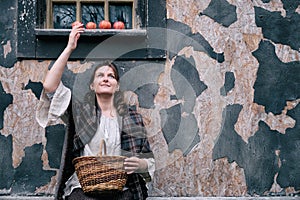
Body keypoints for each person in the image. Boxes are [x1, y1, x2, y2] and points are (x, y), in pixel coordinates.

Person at [36, 22, 155, 200]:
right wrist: (69, 47)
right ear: (92, 85)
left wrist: (140, 164)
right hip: (84, 187)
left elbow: (149, 161)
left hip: (121, 187)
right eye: (101, 75)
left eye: (111, 76)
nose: (106, 79)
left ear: (117, 86)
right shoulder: (80, 112)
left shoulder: (132, 118)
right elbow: (50, 87)